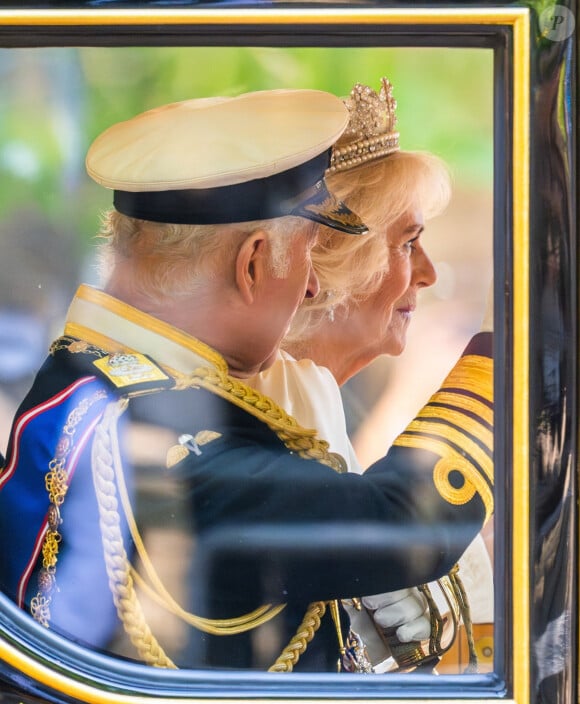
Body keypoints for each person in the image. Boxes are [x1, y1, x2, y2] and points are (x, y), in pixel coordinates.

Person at [0, 87, 491, 673]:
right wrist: (505, 352)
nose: (312, 288)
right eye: (309, 253)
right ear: (253, 262)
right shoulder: (168, 437)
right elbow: (402, 523)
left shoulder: (86, 375)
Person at [248, 78, 494, 672]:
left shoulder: (326, 408)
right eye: (408, 244)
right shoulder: (253, 435)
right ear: (324, 271)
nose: (430, 274)